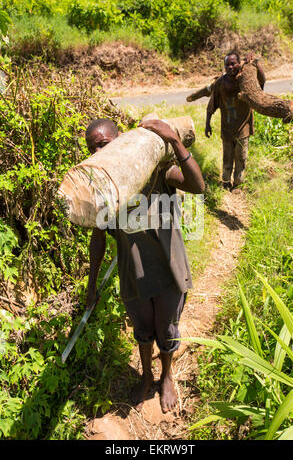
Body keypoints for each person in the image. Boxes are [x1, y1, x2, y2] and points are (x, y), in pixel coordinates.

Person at [84, 118, 205, 413]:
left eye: (104, 142)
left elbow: (198, 186)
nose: (99, 150)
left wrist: (174, 141)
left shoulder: (157, 171)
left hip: (168, 268)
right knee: (143, 330)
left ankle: (165, 376)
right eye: (92, 146)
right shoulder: (104, 188)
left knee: (166, 328)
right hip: (133, 273)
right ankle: (146, 375)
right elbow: (98, 239)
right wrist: (91, 286)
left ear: (121, 139)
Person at [205, 51, 266, 190]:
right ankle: (226, 182)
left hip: (243, 129)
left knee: (241, 159)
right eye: (227, 65)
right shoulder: (220, 83)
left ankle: (238, 185)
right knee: (227, 158)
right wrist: (207, 124)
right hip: (226, 130)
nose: (230, 67)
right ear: (224, 67)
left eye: (233, 63)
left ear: (239, 63)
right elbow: (211, 105)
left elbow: (262, 81)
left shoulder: (246, 79)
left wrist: (256, 64)